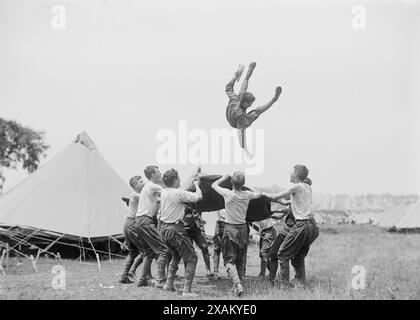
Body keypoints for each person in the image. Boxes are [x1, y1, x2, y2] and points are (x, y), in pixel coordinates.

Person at [264, 165, 319, 287]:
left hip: (302, 225)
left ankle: (284, 286)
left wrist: (257, 194)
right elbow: (288, 201)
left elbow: (274, 196)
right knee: (298, 257)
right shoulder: (307, 188)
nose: (289, 173)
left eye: (292, 171)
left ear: (296, 174)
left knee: (282, 255)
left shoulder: (296, 186)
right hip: (313, 227)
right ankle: (302, 283)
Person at [211, 171, 263, 296]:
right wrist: (248, 186)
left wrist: (224, 177)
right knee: (240, 260)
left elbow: (213, 185)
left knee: (229, 261)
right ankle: (238, 286)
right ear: (243, 183)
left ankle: (237, 284)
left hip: (230, 229)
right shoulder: (247, 194)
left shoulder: (227, 193)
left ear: (231, 182)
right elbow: (260, 194)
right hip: (243, 230)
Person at [159, 169, 203, 297]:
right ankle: (186, 291)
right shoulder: (178, 193)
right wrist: (197, 185)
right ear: (175, 180)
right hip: (175, 229)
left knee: (176, 256)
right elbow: (199, 197)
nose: (180, 180)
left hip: (164, 229)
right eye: (179, 178)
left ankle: (168, 284)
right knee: (192, 258)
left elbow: (181, 190)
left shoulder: (164, 191)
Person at [225, 62, 282, 154]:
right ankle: (274, 99)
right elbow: (241, 132)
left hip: (235, 108)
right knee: (257, 111)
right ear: (245, 103)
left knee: (242, 90)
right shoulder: (240, 117)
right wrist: (244, 147)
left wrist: (236, 77)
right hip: (234, 122)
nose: (250, 106)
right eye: (249, 104)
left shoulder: (236, 99)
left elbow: (228, 88)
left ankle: (248, 73)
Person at [132, 165, 169, 288]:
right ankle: (160, 281)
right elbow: (170, 192)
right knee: (163, 250)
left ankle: (142, 279)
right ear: (153, 174)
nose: (161, 173)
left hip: (139, 221)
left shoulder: (148, 187)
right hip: (145, 221)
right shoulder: (153, 186)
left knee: (149, 253)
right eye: (158, 172)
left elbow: (158, 200)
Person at [119, 175, 146, 284]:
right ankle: (132, 272)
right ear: (135, 185)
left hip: (128, 223)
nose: (143, 183)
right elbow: (148, 199)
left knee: (133, 253)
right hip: (132, 224)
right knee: (146, 251)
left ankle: (123, 276)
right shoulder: (136, 195)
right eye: (140, 181)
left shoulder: (135, 195)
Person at [183, 207, 214, 280]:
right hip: (186, 227)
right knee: (187, 251)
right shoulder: (184, 198)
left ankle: (208, 270)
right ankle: (187, 272)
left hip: (196, 227)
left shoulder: (197, 199)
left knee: (204, 247)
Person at [212, 209, 226, 280]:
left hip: (223, 224)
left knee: (218, 251)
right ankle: (216, 273)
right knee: (217, 250)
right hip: (223, 223)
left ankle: (216, 273)